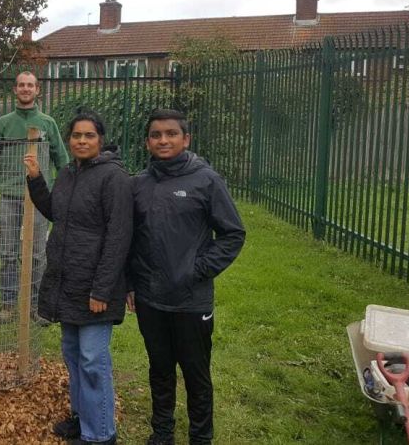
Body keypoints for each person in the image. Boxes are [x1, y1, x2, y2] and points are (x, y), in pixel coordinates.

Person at [126, 109, 246, 445]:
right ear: (147, 141)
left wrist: (198, 270)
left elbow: (232, 234)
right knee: (160, 369)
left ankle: (200, 436)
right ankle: (162, 432)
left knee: (195, 372)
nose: (163, 140)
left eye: (171, 134)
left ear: (186, 139)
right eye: (156, 135)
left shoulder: (206, 180)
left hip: (191, 300)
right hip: (150, 298)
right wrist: (132, 283)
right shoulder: (140, 184)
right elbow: (132, 239)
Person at [24, 112, 132, 445]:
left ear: (100, 139)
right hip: (68, 282)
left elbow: (118, 237)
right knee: (73, 355)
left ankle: (100, 434)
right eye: (76, 136)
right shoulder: (69, 173)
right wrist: (36, 179)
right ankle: (81, 416)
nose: (81, 141)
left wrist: (102, 289)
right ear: (69, 140)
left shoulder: (114, 178)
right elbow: (56, 212)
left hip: (96, 286)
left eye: (88, 135)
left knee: (92, 360)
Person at [0, 70, 68, 323]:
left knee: (37, 253)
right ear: (15, 90)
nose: (25, 89)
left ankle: (36, 305)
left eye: (30, 85)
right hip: (9, 196)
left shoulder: (47, 123)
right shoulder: (3, 124)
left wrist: (66, 193)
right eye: (21, 85)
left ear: (37, 90)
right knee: (9, 253)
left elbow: (62, 160)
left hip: (40, 200)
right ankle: (8, 304)